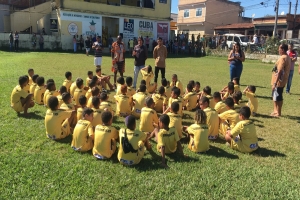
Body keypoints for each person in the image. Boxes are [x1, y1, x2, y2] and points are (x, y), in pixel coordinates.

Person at [271, 44, 291, 117]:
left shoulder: (283, 58)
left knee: (278, 96)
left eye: (279, 48)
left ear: (282, 50)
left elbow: (279, 71)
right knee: (276, 96)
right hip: (283, 80)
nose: (278, 50)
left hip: (279, 81)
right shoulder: (288, 57)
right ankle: (275, 111)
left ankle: (278, 112)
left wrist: (274, 83)